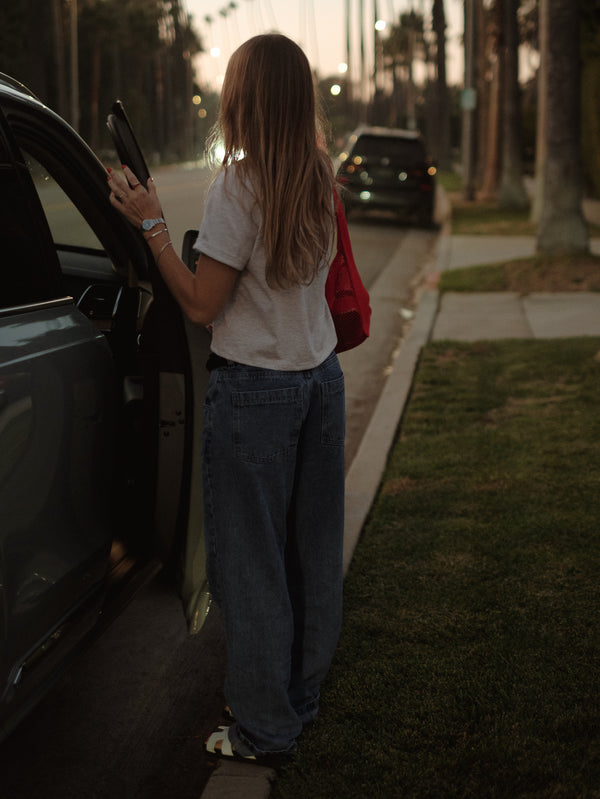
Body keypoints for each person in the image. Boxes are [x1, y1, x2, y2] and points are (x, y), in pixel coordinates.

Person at [107, 32, 345, 763]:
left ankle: (264, 728)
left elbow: (202, 305)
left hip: (258, 395)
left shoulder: (239, 185)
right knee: (309, 556)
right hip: (319, 382)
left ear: (245, 98)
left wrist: (151, 226)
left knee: (251, 566)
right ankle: (297, 701)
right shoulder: (317, 173)